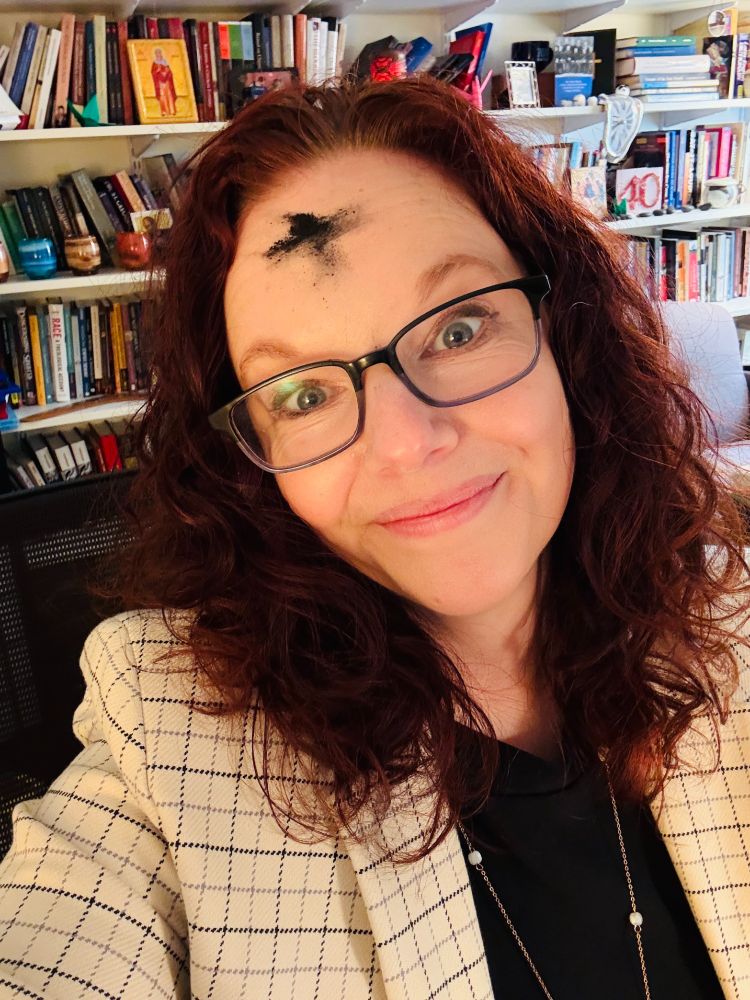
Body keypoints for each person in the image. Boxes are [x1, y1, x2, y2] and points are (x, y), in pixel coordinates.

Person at [0, 75, 749, 999]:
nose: (406, 444)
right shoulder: (170, 732)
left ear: (566, 332)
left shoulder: (727, 603)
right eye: (304, 394)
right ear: (251, 455)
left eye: (460, 328)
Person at [151, 47, 177, 117]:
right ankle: (164, 111)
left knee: (169, 95)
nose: (158, 54)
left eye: (159, 52)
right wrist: (158, 70)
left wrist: (167, 72)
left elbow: (170, 71)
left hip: (167, 82)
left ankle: (172, 110)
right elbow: (153, 73)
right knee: (162, 96)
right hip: (160, 83)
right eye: (157, 53)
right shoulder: (155, 63)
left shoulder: (165, 61)